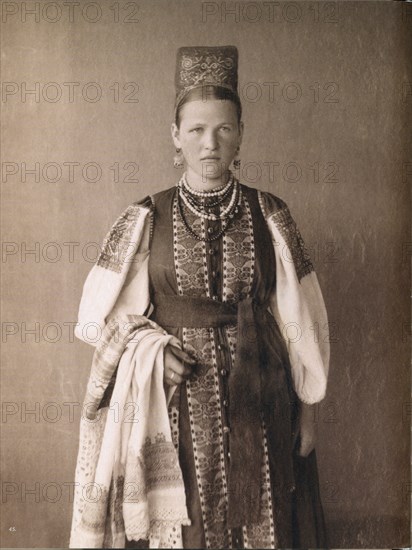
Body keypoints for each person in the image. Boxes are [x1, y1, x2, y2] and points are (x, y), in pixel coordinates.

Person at [70, 45, 330, 549]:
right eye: (195, 130)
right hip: (174, 401)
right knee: (189, 524)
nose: (210, 143)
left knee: (267, 520)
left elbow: (302, 319)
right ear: (176, 136)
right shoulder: (146, 217)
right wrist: (150, 351)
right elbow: (98, 323)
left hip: (265, 395)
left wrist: (310, 410)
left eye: (224, 129)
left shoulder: (272, 214)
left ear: (240, 136)